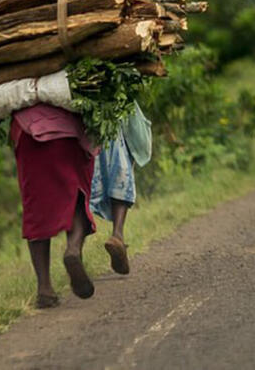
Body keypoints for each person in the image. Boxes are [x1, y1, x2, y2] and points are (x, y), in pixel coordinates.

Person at [10, 102, 99, 309]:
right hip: (68, 132)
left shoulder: (10, 75)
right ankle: (73, 249)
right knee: (77, 198)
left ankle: (45, 289)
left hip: (28, 132)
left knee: (36, 209)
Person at [90, 101, 152, 275]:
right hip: (109, 116)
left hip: (79, 122)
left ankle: (74, 250)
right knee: (121, 168)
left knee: (82, 186)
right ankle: (117, 234)